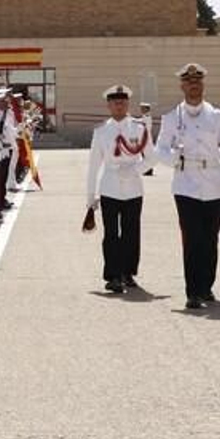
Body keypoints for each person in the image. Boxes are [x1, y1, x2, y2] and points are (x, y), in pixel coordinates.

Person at [153, 63, 220, 309]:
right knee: (192, 238)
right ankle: (193, 291)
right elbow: (160, 149)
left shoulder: (218, 116)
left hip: (213, 182)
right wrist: (173, 158)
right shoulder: (172, 118)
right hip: (185, 183)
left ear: (203, 85)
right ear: (182, 86)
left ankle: (206, 287)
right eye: (188, 82)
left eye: (197, 82)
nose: (193, 86)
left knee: (210, 238)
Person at [85, 84, 152, 294]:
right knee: (111, 233)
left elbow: (152, 157)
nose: (119, 106)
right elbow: (93, 165)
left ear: (128, 104)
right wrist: (90, 196)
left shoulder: (139, 128)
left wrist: (135, 170)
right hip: (110, 187)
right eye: (115, 102)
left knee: (132, 232)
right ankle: (113, 275)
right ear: (109, 105)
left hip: (133, 188)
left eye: (122, 102)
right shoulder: (101, 131)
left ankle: (128, 272)